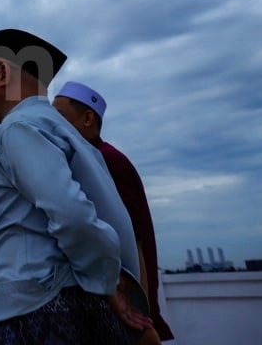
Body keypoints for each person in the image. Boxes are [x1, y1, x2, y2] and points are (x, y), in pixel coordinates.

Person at [0, 28, 151, 344]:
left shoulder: (19, 127)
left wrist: (110, 281)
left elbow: (72, 215)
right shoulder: (66, 133)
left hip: (33, 313)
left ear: (1, 74)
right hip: (69, 304)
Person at [54, 81, 174, 342]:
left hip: (121, 297)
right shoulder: (84, 158)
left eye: (60, 116)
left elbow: (134, 238)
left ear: (87, 118)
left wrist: (142, 309)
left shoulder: (107, 159)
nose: (53, 123)